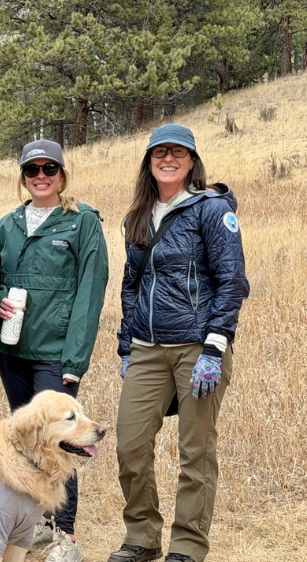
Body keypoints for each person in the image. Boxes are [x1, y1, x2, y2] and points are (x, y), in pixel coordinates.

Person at [108, 124, 248, 562]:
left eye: (178, 152)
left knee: (196, 452)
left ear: (192, 160)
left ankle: (186, 547)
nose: (168, 159)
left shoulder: (212, 209)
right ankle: (142, 537)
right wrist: (127, 344)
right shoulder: (137, 216)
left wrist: (215, 345)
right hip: (148, 348)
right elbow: (131, 284)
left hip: (197, 347)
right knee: (130, 445)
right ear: (148, 163)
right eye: (159, 153)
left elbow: (232, 282)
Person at [0, 140, 109, 562]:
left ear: (62, 174)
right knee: (25, 440)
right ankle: (29, 529)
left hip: (55, 353)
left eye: (49, 169)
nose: (40, 177)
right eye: (31, 170)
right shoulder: (6, 225)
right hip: (13, 350)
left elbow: (90, 295)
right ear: (22, 176)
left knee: (62, 440)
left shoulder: (82, 223)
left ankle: (64, 535)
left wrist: (74, 361)